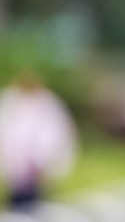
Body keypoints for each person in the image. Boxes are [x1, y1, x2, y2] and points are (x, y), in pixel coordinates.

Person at [0, 70, 77, 210]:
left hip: (41, 172)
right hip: (17, 173)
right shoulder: (10, 101)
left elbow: (57, 137)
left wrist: (54, 166)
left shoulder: (49, 103)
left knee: (41, 211)